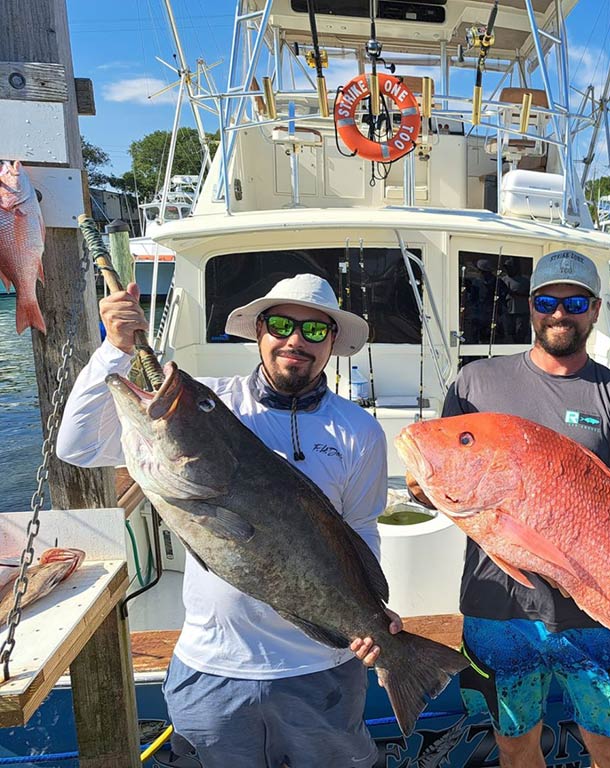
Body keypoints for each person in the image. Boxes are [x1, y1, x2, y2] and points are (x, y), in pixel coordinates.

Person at [56, 274, 401, 768]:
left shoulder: (358, 430)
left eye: (315, 331)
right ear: (259, 331)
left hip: (321, 667)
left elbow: (361, 527)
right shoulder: (215, 400)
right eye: (281, 324)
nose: (295, 340)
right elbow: (79, 446)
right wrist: (114, 349)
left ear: (332, 345)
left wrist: (371, 612)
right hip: (212, 665)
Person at [407, 249, 610, 768]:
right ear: (531, 306)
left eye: (575, 301)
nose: (560, 312)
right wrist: (423, 485)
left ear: (595, 309)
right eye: (548, 300)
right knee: (513, 743)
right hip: (496, 611)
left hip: (593, 613)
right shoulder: (475, 383)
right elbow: (448, 466)